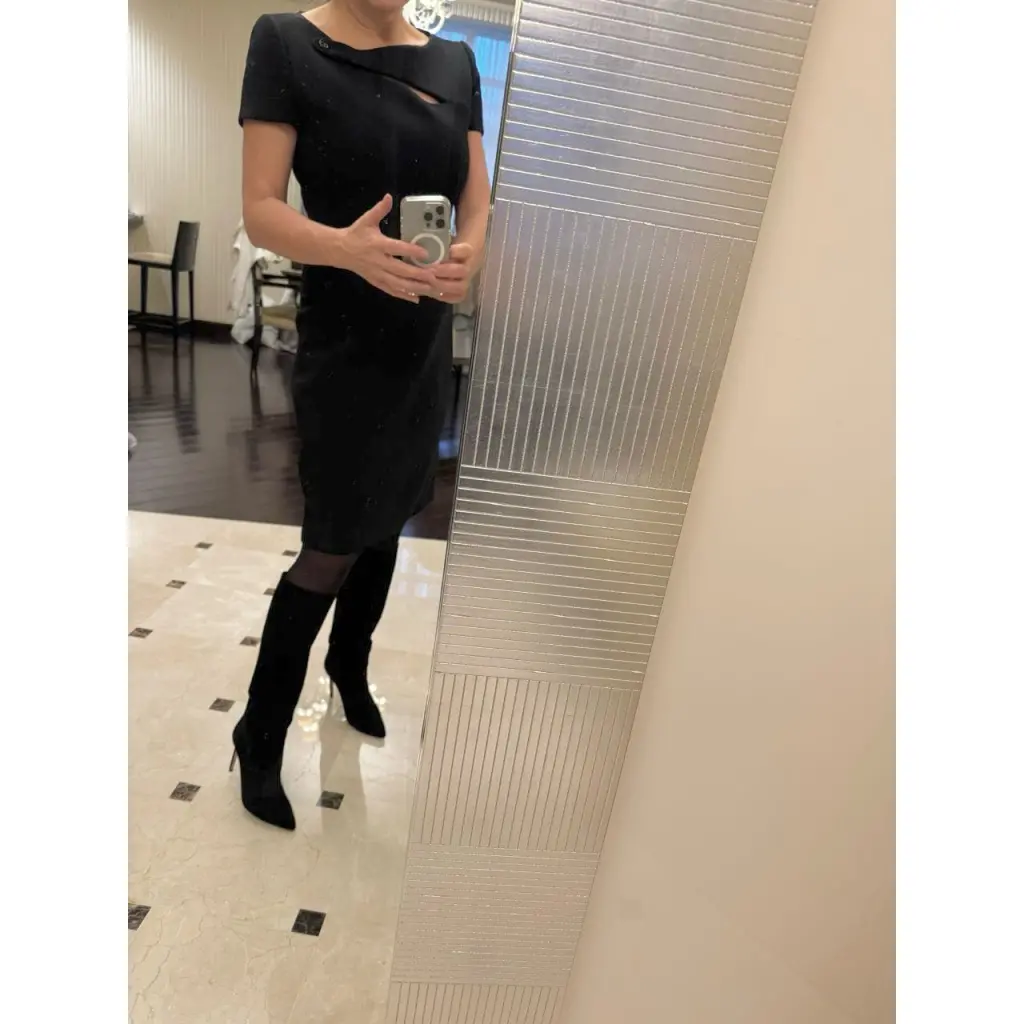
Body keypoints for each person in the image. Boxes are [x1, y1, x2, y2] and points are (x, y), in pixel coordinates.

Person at [229, 0, 491, 830]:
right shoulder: (285, 42)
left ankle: (349, 665)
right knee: (333, 541)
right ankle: (259, 728)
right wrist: (345, 248)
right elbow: (261, 207)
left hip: (422, 334)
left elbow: (476, 201)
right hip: (345, 342)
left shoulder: (456, 63)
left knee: (393, 515)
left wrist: (470, 255)